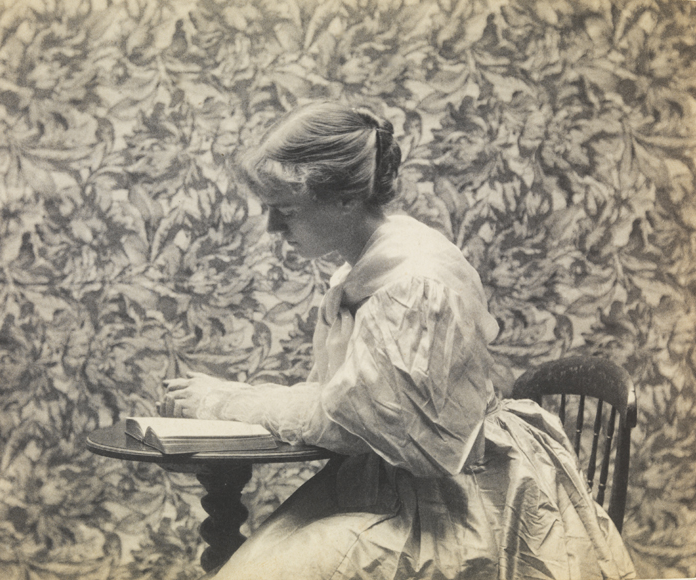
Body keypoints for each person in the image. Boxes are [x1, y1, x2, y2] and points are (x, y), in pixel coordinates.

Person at [161, 101, 637, 580]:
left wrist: (228, 401)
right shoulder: (361, 271)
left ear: (346, 199)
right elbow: (347, 404)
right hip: (395, 483)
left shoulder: (413, 284)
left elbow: (345, 426)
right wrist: (235, 397)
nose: (273, 228)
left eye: (286, 211)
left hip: (462, 501)